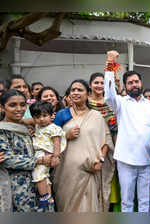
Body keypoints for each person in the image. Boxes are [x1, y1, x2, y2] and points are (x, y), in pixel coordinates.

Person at [104, 51, 150, 212]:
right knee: (127, 201)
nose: (134, 85)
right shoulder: (120, 103)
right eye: (130, 83)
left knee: (144, 202)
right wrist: (109, 66)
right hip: (126, 160)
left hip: (147, 160)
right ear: (126, 86)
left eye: (136, 81)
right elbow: (108, 94)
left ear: (141, 83)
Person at [53, 79, 114, 212]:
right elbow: (49, 140)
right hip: (66, 173)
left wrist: (101, 160)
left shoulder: (96, 116)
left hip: (90, 170)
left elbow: (107, 140)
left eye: (79, 90)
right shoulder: (62, 115)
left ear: (88, 94)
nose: (75, 92)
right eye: (73, 90)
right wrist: (65, 136)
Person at [0, 89, 58, 212]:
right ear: (2, 107)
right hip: (17, 187)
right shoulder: (2, 130)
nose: (19, 109)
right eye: (12, 105)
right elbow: (7, 159)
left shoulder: (29, 127)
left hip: (39, 181)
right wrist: (40, 160)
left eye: (22, 105)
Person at [88, 72, 120, 211]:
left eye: (103, 83)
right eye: (96, 82)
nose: (99, 86)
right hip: (90, 145)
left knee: (107, 182)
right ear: (90, 85)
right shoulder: (86, 103)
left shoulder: (112, 103)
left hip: (111, 146)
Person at [29, 101, 66, 211]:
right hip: (39, 153)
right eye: (37, 117)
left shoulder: (53, 128)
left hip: (46, 154)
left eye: (45, 116)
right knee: (44, 176)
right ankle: (49, 197)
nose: (41, 119)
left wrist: (56, 156)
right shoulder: (38, 127)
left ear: (51, 116)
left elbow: (56, 143)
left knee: (38, 175)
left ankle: (43, 197)